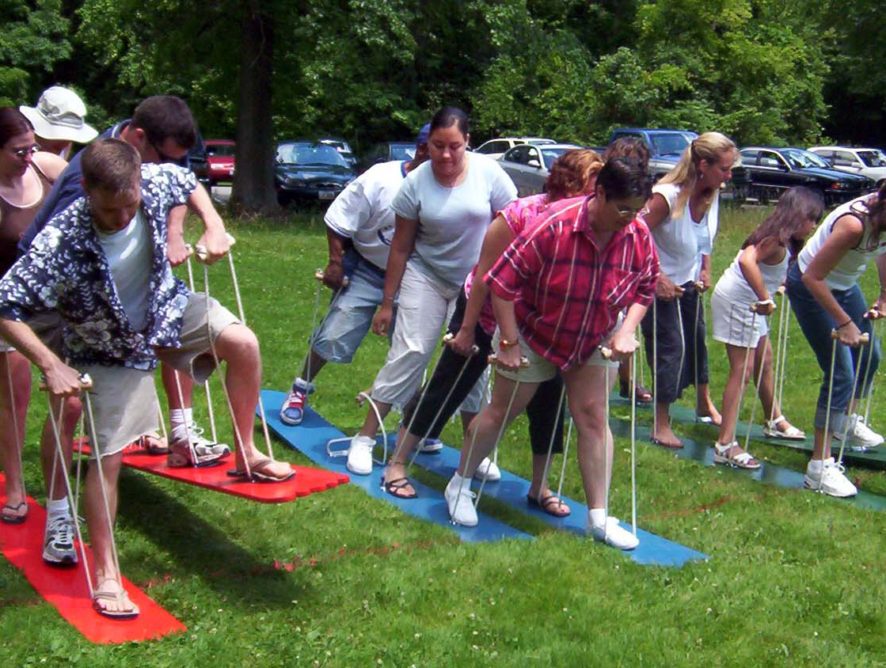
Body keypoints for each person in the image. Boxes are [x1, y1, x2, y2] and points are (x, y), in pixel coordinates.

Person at [0, 139, 293, 618]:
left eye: (129, 205)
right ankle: (108, 574)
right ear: (86, 191)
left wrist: (214, 225)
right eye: (109, 209)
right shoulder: (61, 240)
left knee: (244, 344)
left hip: (166, 310)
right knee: (109, 457)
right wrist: (50, 364)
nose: (121, 218)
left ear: (138, 183)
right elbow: (4, 303)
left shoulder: (155, 181)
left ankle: (246, 452)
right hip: (106, 345)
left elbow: (186, 182)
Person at [444, 157, 658, 551]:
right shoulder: (552, 225)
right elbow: (501, 283)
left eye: (637, 209)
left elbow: (646, 287)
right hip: (534, 330)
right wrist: (507, 343)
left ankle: (598, 517)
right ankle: (460, 483)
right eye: (623, 208)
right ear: (600, 193)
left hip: (593, 332)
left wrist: (627, 331)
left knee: (594, 417)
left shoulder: (637, 234)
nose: (630, 218)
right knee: (503, 412)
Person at [381, 149, 604, 514]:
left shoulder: (587, 224)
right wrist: (467, 330)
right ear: (570, 183)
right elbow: (486, 274)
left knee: (549, 398)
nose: (597, 198)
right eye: (592, 188)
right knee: (448, 386)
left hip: (539, 323)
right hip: (485, 312)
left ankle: (540, 486)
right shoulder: (522, 214)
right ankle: (398, 462)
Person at [21, 95, 228, 462]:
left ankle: (169, 431)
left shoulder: (145, 160)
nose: (168, 167)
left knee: (164, 320)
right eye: (163, 158)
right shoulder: (89, 184)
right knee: (68, 402)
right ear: (138, 137)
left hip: (105, 281)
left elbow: (178, 182)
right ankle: (55, 507)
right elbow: (64, 255)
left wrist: (177, 231)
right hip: (53, 286)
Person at [344, 107, 517, 476]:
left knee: (473, 363)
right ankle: (366, 437)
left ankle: (476, 451)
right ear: (427, 144)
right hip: (427, 275)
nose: (446, 155)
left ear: (467, 142)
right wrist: (387, 303)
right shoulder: (416, 183)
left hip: (477, 282)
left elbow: (513, 226)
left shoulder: (489, 174)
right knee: (411, 351)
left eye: (454, 146)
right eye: (437, 146)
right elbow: (401, 247)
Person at [279, 124, 430, 425]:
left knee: (411, 349)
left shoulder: (446, 188)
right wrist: (336, 263)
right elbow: (338, 219)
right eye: (437, 150)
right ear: (423, 149)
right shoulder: (380, 178)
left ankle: (412, 417)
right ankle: (300, 389)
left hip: (413, 277)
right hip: (367, 268)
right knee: (334, 334)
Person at [710, 187, 824, 468]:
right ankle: (725, 443)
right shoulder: (776, 238)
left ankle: (773, 418)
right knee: (743, 370)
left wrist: (776, 286)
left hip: (750, 301)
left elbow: (766, 267)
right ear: (797, 216)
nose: (814, 226)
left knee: (765, 360)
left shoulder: (783, 238)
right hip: (740, 301)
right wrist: (764, 296)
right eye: (811, 219)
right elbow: (747, 260)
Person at [785, 184, 886, 497]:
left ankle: (844, 422)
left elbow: (883, 250)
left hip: (843, 285)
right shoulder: (853, 224)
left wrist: (884, 295)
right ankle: (819, 466)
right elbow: (811, 277)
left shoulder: (881, 220)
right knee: (840, 372)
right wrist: (844, 323)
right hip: (810, 286)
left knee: (870, 357)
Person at [640, 132, 738, 448]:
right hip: (657, 287)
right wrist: (655, 277)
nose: (729, 175)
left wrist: (706, 267)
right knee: (671, 349)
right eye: (724, 168)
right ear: (702, 164)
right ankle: (661, 423)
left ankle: (702, 402)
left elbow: (704, 238)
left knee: (696, 344)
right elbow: (632, 236)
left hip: (688, 282)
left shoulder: (711, 194)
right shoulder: (665, 197)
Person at [0, 108, 67, 526]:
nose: (28, 156)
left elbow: (85, 189)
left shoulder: (46, 168)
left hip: (52, 296)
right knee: (15, 389)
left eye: (32, 147)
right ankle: (16, 486)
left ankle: (63, 487)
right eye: (18, 151)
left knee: (74, 387)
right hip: (5, 303)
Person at [605, 138, 654, 404]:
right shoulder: (610, 191)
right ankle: (626, 380)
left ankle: (628, 381)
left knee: (624, 327)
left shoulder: (639, 215)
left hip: (627, 269)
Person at [19, 86, 98, 159]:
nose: (65, 143)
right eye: (61, 136)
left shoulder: (66, 146)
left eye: (69, 137)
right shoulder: (17, 146)